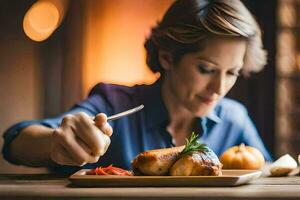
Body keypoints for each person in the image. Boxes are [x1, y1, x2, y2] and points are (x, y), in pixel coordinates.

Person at [2, 0, 272, 174]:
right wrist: (54, 144)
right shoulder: (114, 104)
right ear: (167, 57)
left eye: (232, 73)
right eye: (206, 69)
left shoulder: (234, 119)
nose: (219, 87)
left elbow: (271, 173)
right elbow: (15, 142)